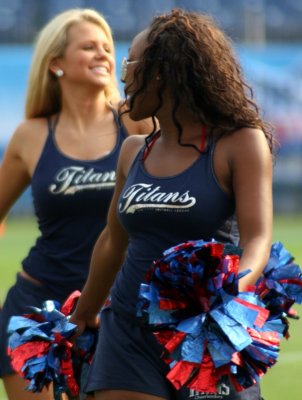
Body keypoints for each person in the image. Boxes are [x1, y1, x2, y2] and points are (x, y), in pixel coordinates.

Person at [70, 8, 275, 400]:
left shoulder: (240, 143)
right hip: (128, 331)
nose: (123, 75)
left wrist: (226, 296)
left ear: (164, 72)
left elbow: (258, 239)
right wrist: (82, 315)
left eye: (130, 62)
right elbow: (113, 242)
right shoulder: (133, 150)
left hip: (204, 331)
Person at [0, 8, 154, 400]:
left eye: (106, 46)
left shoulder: (136, 123)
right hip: (38, 309)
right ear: (56, 64)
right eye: (89, 47)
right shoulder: (30, 136)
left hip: (117, 308)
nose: (103, 54)